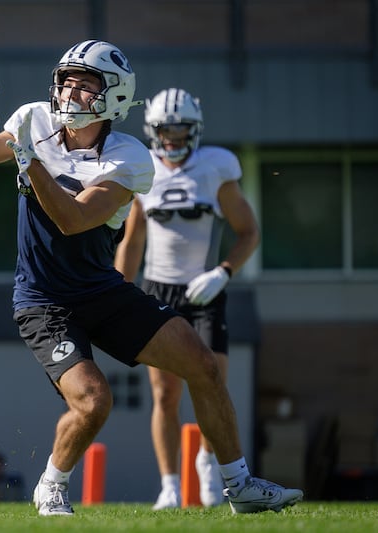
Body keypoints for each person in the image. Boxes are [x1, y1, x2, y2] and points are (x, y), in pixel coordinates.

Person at [0, 40, 302, 516]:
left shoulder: (130, 156)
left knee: (203, 365)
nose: (69, 90)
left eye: (84, 84)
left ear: (113, 95)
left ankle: (239, 486)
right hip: (44, 300)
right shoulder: (33, 121)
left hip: (101, 289)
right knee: (93, 401)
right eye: (66, 79)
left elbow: (73, 218)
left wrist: (31, 166)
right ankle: (51, 485)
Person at [114, 87, 261, 510]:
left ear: (195, 131)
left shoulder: (216, 167)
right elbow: (133, 238)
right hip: (158, 290)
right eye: (166, 131)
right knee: (164, 396)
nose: (174, 140)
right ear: (152, 131)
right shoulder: (143, 169)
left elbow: (248, 231)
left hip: (205, 289)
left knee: (213, 383)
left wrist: (224, 272)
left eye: (181, 132)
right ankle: (170, 485)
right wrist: (120, 293)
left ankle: (208, 460)